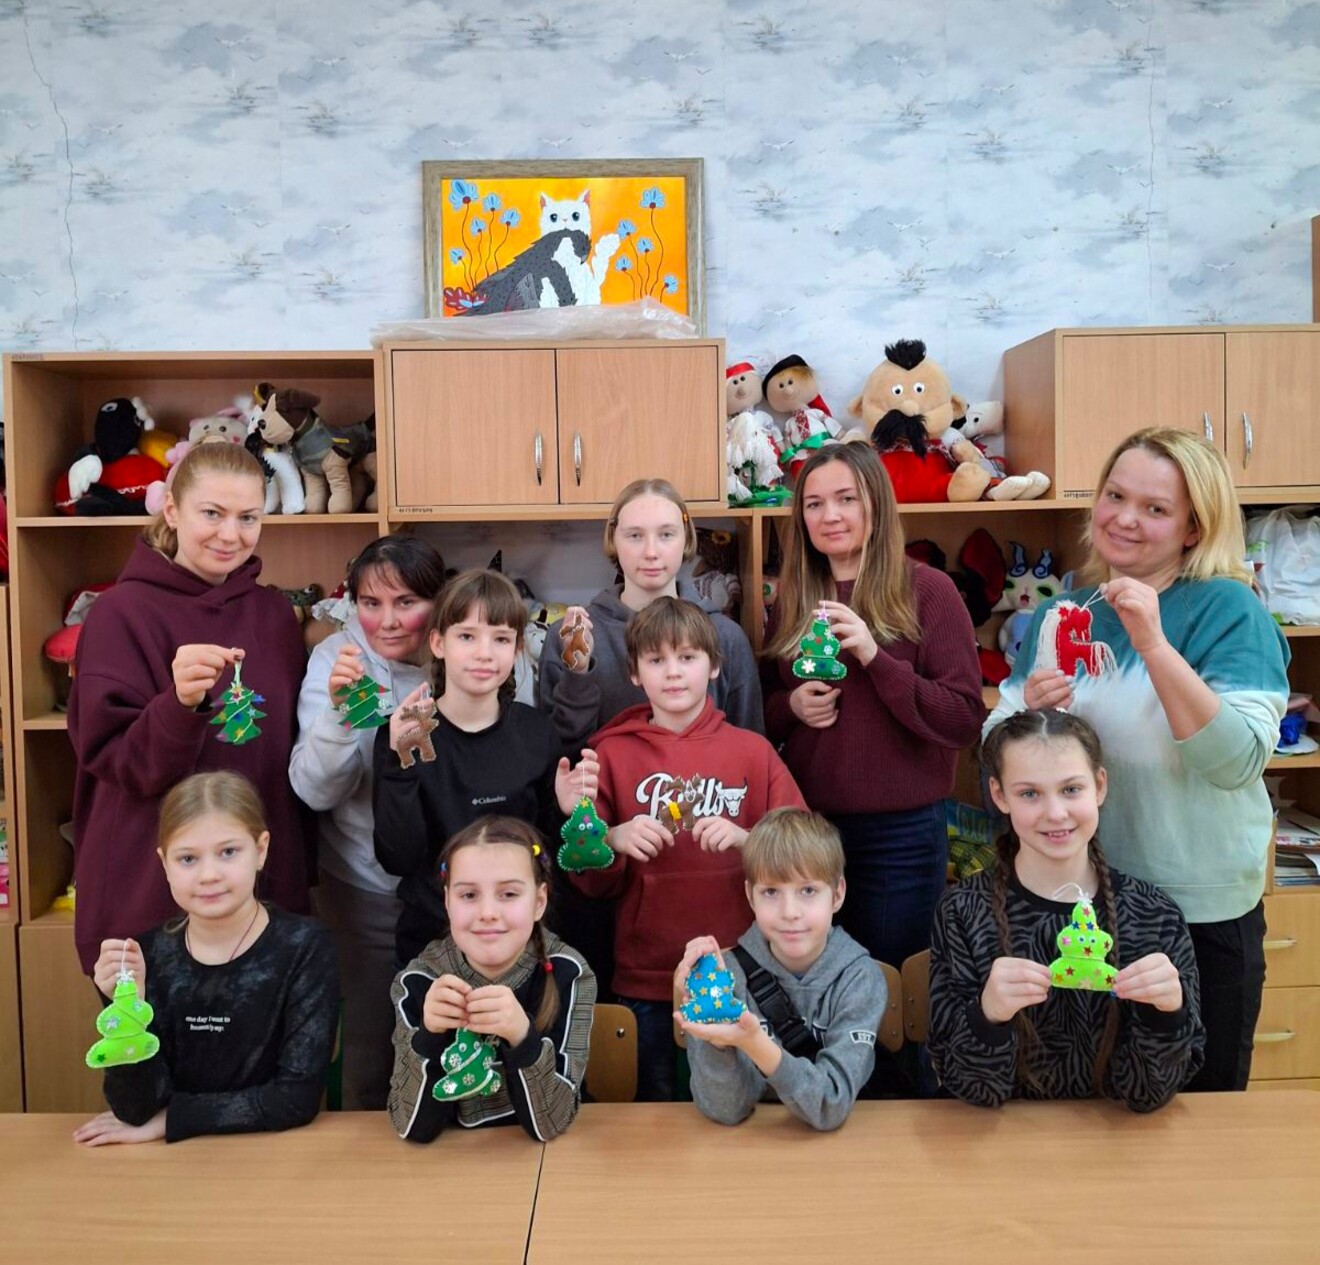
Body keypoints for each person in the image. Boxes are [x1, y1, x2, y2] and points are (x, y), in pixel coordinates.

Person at [986, 427, 1288, 1092]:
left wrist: (1153, 644)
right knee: (1090, 1099)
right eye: (1115, 496)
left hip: (1199, 909)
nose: (1124, 518)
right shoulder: (1065, 612)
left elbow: (1236, 761)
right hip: (1081, 905)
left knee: (1195, 1107)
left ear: (1192, 527)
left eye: (1154, 508)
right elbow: (996, 747)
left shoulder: (1231, 610)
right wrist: (1025, 713)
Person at [68, 443, 309, 975]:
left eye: (248, 518)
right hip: (151, 899)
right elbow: (117, 762)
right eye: (212, 513)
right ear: (172, 510)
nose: (231, 535)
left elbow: (285, 755)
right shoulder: (118, 615)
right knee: (154, 1031)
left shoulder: (273, 613)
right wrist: (179, 705)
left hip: (262, 899)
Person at [571, 597, 805, 1100]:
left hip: (747, 973)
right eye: (656, 660)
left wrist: (748, 840)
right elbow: (588, 883)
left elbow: (806, 858)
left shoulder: (753, 752)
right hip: (647, 980)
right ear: (634, 673)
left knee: (744, 1114)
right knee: (656, 1119)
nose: (673, 672)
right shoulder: (609, 754)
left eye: (688, 657)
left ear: (714, 666)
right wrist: (611, 839)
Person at [761, 443, 985, 969]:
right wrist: (792, 706)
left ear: (876, 505)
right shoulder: (794, 597)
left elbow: (962, 719)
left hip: (900, 838)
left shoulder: (929, 590)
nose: (830, 515)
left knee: (890, 984)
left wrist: (873, 656)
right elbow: (762, 711)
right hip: (809, 831)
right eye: (814, 504)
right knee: (813, 981)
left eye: (846, 499)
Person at [929, 710, 1204, 1110]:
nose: (1055, 813)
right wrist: (988, 1016)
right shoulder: (963, 912)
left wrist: (1167, 1014)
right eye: (1029, 794)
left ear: (1100, 786)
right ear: (999, 796)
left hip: (1116, 1135)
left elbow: (1150, 1095)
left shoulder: (1154, 915)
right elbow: (970, 1091)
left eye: (1071, 789)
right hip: (1001, 1136)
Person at [73, 772, 339, 1145]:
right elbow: (135, 1110)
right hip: (175, 1158)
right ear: (164, 863)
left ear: (261, 850)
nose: (209, 875)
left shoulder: (305, 947)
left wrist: (173, 1120)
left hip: (274, 1150)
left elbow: (295, 1098)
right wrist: (127, 1005)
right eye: (188, 859)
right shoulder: (144, 957)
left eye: (228, 852)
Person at [290, 534, 446, 1109]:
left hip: (457, 891)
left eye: (406, 602)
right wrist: (340, 715)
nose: (387, 621)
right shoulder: (337, 660)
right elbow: (314, 791)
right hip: (365, 888)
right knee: (369, 1052)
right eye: (370, 604)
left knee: (452, 1048)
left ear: (439, 600)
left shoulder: (468, 648)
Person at [373, 569, 596, 967]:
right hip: (434, 943)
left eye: (501, 639)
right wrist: (399, 766)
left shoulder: (536, 732)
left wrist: (568, 811)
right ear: (438, 643)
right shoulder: (406, 733)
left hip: (523, 943)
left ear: (517, 649)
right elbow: (398, 859)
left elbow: (556, 861)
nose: (484, 653)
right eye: (467, 636)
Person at [676, 808, 887, 1131]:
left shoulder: (860, 979)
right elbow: (725, 1110)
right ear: (750, 896)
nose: (790, 912)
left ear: (837, 895)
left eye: (808, 891)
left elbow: (830, 1105)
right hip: (751, 1142)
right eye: (771, 892)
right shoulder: (725, 977)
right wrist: (718, 1041)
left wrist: (755, 1044)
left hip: (840, 1146)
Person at [387, 816, 596, 1142]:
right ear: (447, 901)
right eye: (469, 895)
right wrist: (428, 1036)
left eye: (508, 894)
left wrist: (522, 1037)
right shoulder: (418, 981)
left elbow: (552, 1125)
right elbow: (410, 1127)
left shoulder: (569, 973)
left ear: (539, 902)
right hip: (453, 1162)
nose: (487, 912)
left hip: (547, 1161)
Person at [537, 477, 763, 750]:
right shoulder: (571, 637)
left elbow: (750, 750)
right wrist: (579, 676)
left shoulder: (726, 636)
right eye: (635, 536)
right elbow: (557, 754)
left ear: (686, 538)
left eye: (666, 534)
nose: (651, 552)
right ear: (613, 539)